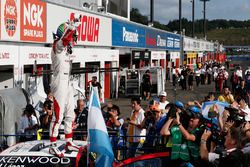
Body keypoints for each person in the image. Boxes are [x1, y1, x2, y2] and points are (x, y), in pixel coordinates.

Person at [49, 16, 81, 157]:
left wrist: (74, 28)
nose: (73, 39)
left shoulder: (66, 49)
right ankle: (52, 145)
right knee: (58, 116)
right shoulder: (58, 45)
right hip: (59, 81)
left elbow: (68, 41)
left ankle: (69, 141)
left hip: (67, 80)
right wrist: (72, 27)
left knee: (70, 113)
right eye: (73, 36)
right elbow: (65, 40)